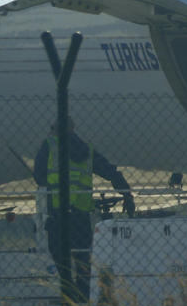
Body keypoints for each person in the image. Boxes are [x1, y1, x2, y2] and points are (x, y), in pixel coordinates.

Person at [34, 118, 134, 295]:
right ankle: (83, 294)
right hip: (80, 217)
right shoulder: (86, 150)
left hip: (58, 215)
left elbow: (39, 176)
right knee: (83, 259)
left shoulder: (49, 145)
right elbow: (109, 171)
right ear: (73, 128)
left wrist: (51, 183)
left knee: (58, 254)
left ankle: (68, 290)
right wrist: (126, 194)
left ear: (54, 130)